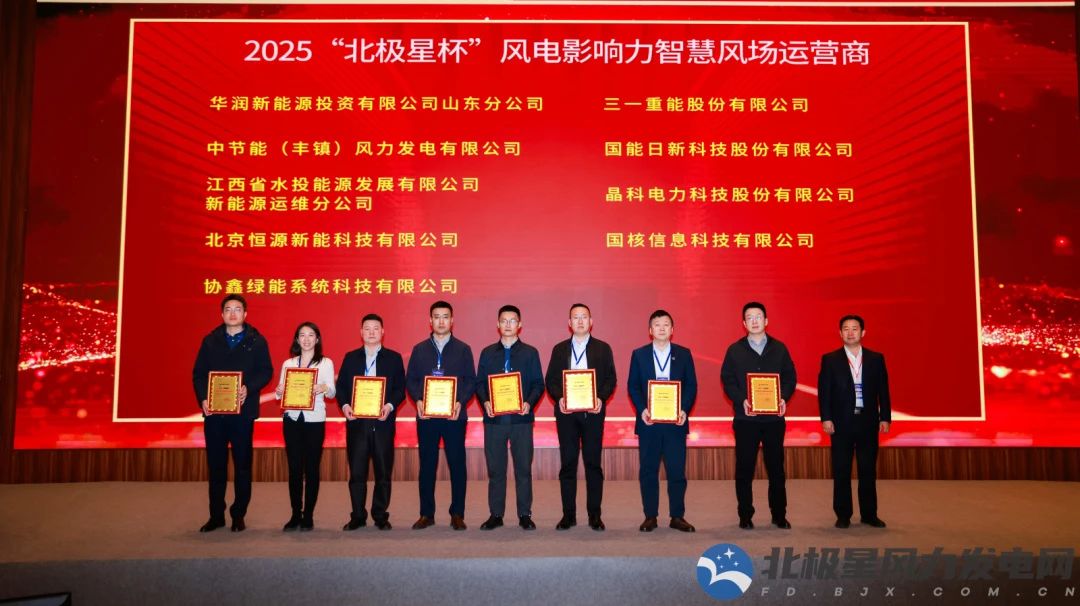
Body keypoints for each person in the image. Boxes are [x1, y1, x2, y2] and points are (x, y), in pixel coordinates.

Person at [192, 294, 273, 532]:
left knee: (242, 466)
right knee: (216, 466)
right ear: (222, 314)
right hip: (215, 414)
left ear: (245, 314)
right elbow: (198, 374)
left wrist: (249, 387)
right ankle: (216, 515)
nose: (233, 313)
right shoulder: (210, 341)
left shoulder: (256, 340)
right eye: (228, 309)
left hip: (242, 414)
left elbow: (266, 371)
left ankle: (239, 515)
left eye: (238, 309)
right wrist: (203, 398)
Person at [720, 301, 797, 530]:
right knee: (744, 468)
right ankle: (745, 515)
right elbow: (728, 380)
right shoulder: (734, 350)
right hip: (746, 419)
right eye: (749, 318)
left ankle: (779, 514)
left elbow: (790, 377)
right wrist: (740, 399)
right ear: (744, 323)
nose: (754, 321)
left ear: (766, 321)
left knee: (776, 469)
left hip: (773, 420)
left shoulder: (779, 348)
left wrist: (783, 398)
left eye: (758, 317)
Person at [544, 303, 617, 531]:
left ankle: (595, 515)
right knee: (568, 464)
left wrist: (601, 398)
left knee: (593, 464)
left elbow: (611, 379)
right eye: (575, 317)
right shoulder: (559, 349)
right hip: (567, 415)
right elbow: (550, 380)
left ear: (591, 321)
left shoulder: (603, 348)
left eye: (584, 317)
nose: (580, 321)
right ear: (569, 323)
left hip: (592, 414)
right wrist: (559, 398)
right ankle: (569, 515)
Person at [405, 300, 476, 530]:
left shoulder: (463, 349)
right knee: (427, 465)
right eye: (437, 317)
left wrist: (460, 402)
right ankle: (426, 514)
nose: (441, 321)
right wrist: (418, 399)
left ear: (452, 320)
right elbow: (411, 380)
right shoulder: (419, 349)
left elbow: (470, 381)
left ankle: (457, 513)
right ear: (430, 321)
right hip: (427, 418)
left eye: (445, 317)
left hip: (454, 417)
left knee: (457, 464)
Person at [818, 314, 892, 529]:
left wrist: (885, 417)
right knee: (841, 469)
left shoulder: (876, 359)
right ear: (840, 333)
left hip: (868, 421)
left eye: (855, 328)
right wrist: (826, 418)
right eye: (846, 329)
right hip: (841, 422)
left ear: (863, 332)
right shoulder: (830, 359)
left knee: (867, 469)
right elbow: (824, 392)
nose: (850, 333)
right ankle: (843, 515)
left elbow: (883, 391)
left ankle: (869, 514)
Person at [627, 310, 698, 532]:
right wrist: (642, 410)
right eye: (657, 325)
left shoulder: (683, 354)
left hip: (675, 423)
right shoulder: (639, 354)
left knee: (676, 471)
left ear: (672, 330)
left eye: (666, 324)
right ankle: (650, 516)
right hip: (649, 423)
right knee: (648, 471)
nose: (661, 328)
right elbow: (633, 386)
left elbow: (691, 385)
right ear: (650, 330)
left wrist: (684, 410)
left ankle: (677, 516)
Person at [475, 305, 545, 531]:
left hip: (521, 421)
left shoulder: (530, 353)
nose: (508, 324)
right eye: (504, 320)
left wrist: (529, 403)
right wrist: (485, 402)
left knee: (523, 469)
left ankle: (525, 514)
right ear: (497, 324)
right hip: (494, 422)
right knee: (496, 470)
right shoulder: (487, 353)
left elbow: (538, 384)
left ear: (519, 324)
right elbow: (479, 383)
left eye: (512, 320)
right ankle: (496, 515)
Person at [335, 313, 405, 531]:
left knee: (383, 473)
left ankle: (380, 515)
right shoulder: (350, 358)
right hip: (357, 424)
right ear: (361, 332)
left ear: (382, 332)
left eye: (376, 328)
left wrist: (389, 406)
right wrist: (345, 406)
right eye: (367, 328)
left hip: (383, 423)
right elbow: (341, 388)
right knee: (357, 473)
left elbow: (400, 389)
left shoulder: (393, 358)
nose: (371, 332)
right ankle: (357, 515)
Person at [273, 322, 335, 531]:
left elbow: (332, 392)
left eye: (311, 335)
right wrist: (279, 390)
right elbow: (280, 394)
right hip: (292, 419)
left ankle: (308, 515)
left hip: (314, 421)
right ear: (297, 339)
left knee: (312, 468)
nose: (306, 339)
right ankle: (295, 514)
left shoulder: (325, 363)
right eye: (302, 335)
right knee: (294, 469)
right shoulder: (288, 363)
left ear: (317, 339)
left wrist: (323, 387)